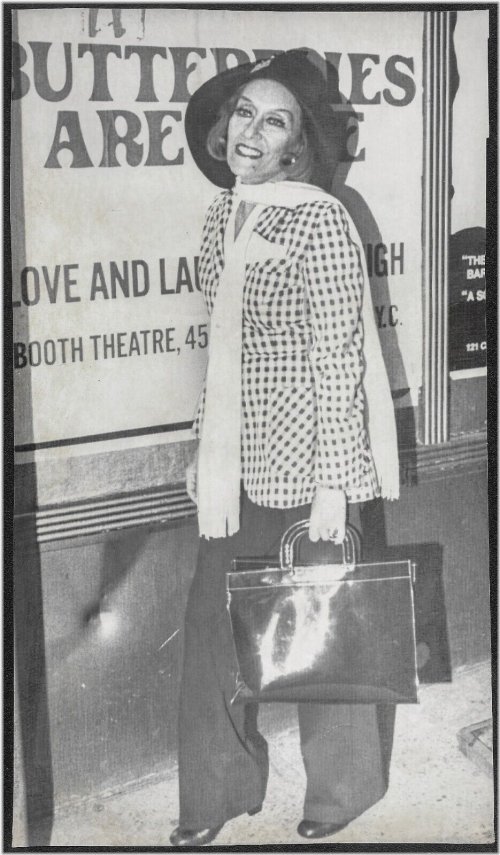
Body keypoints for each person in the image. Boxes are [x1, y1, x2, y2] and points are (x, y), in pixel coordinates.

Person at [171, 49, 400, 847]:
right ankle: (214, 792)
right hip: (235, 468)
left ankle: (341, 792)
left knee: (321, 630)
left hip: (310, 468)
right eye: (242, 112)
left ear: (299, 144)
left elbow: (342, 360)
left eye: (274, 120)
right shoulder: (221, 215)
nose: (250, 131)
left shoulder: (323, 220)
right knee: (210, 628)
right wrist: (203, 449)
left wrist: (336, 488)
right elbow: (219, 349)